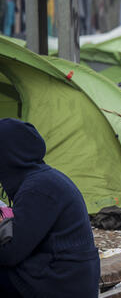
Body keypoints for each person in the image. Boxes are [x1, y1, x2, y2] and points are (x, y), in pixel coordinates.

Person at [0, 118, 100, 298]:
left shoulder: (39, 188)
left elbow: (10, 254)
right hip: (64, 276)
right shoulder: (41, 179)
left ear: (7, 154)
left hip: (61, 284)